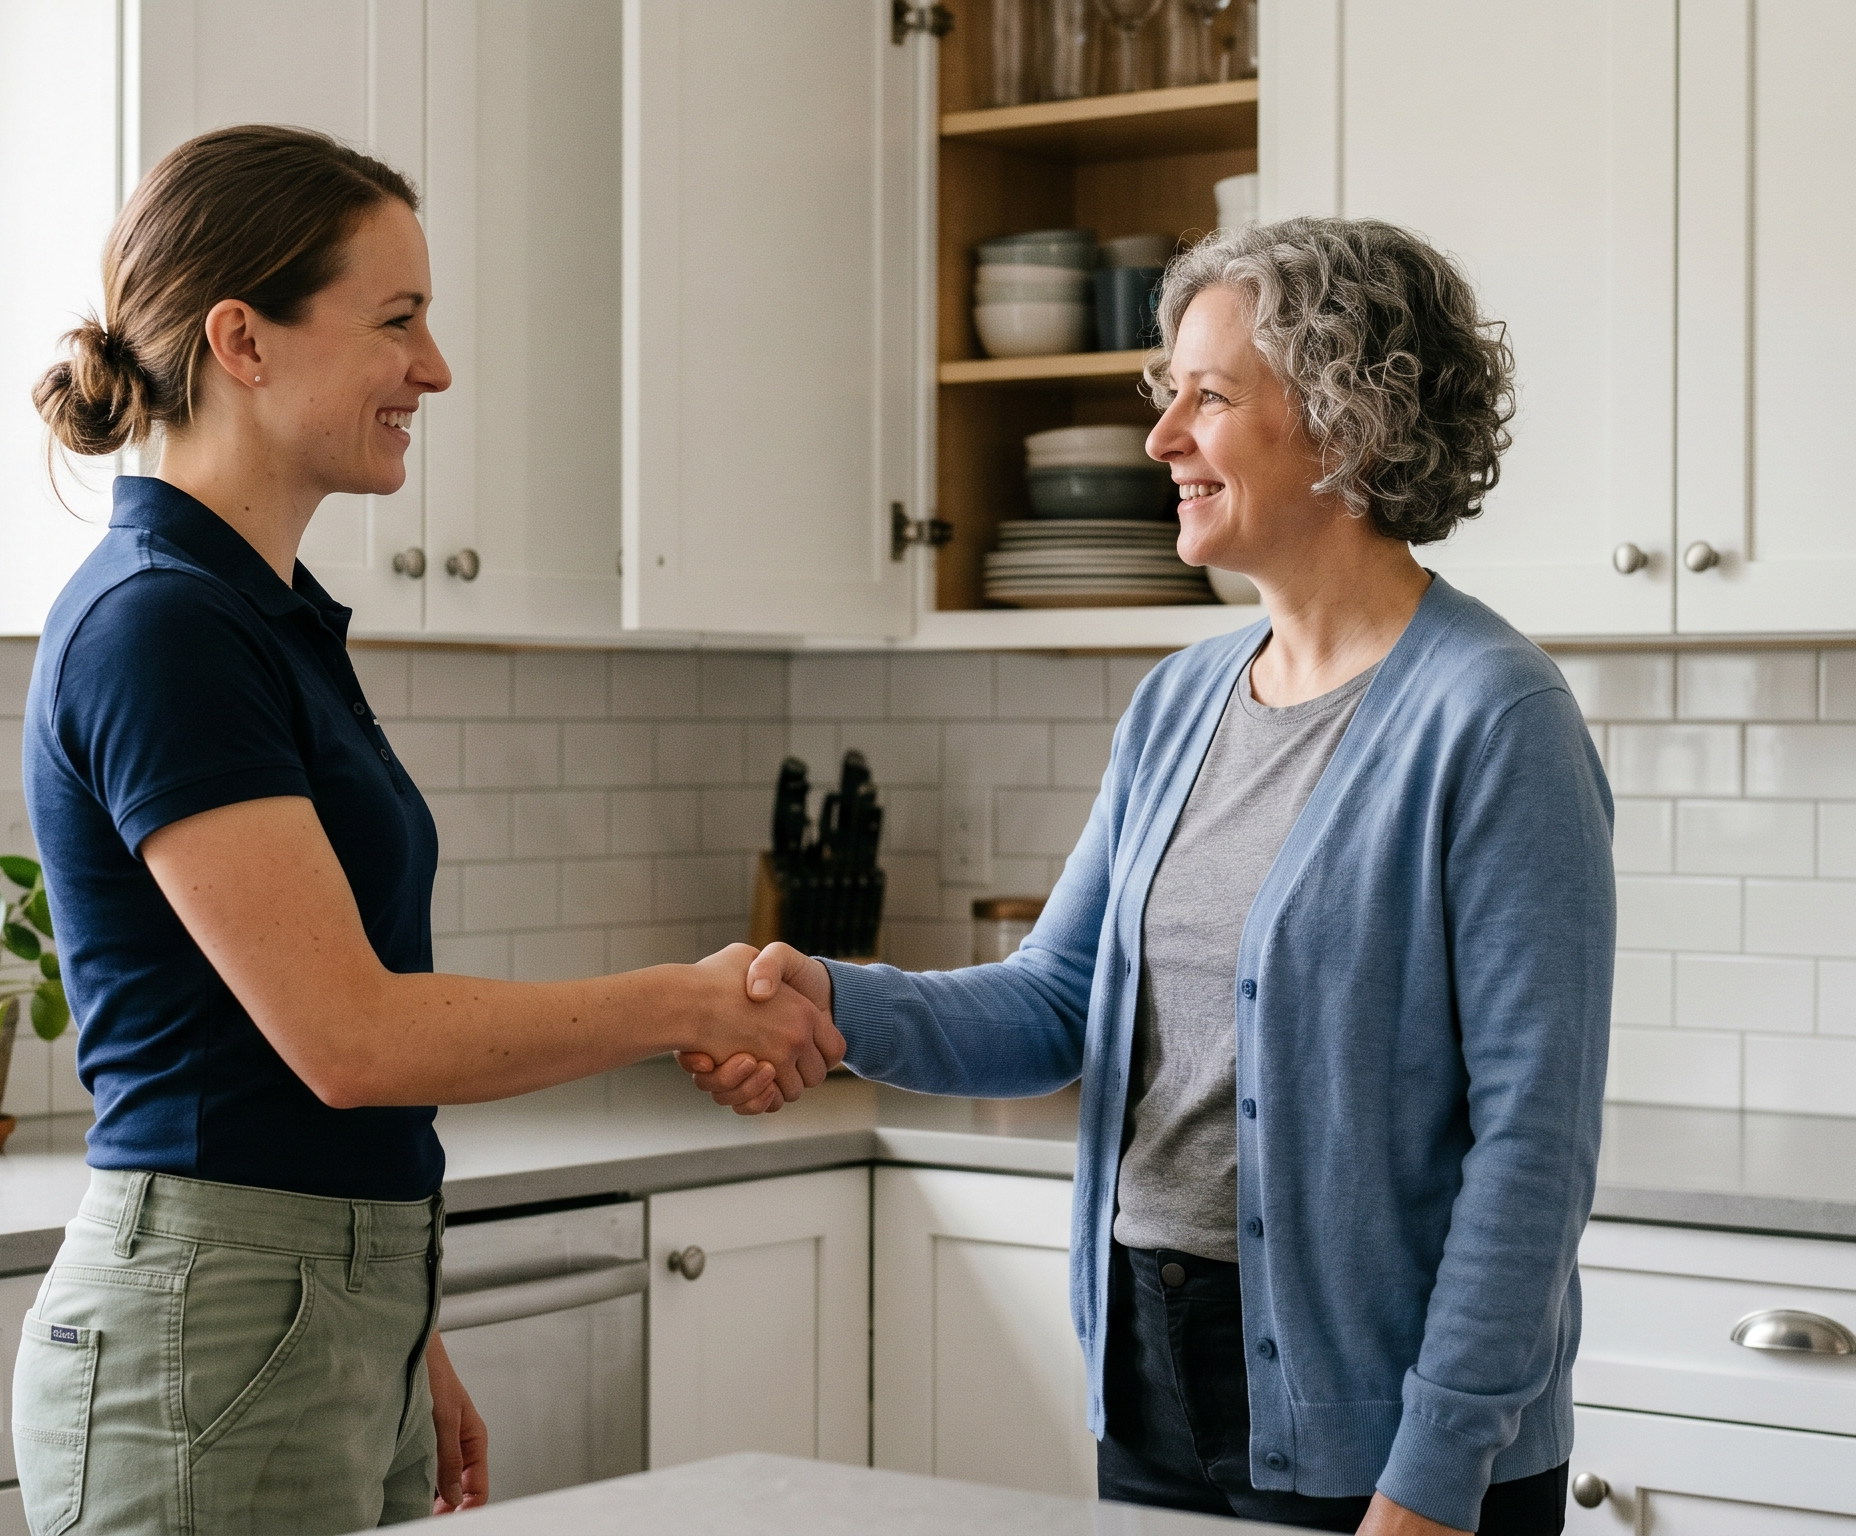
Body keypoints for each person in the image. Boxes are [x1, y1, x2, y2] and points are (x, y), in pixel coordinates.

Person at [687, 217, 1613, 1535]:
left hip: (1379, 1420)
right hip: (1153, 1370)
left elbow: (1534, 1146)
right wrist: (823, 1000)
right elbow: (1055, 1006)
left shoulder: (1492, 718)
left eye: (1209, 397)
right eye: (1164, 394)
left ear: (1349, 425)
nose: (1161, 438)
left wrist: (1437, 1469)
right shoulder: (1181, 702)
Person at [15, 125, 832, 1536]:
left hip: (308, 1312)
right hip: (213, 1330)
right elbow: (352, 1042)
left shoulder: (254, 616)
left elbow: (296, 1071)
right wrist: (687, 1003)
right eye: (397, 321)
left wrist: (399, 1332)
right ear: (244, 341)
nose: (436, 369)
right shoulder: (163, 626)